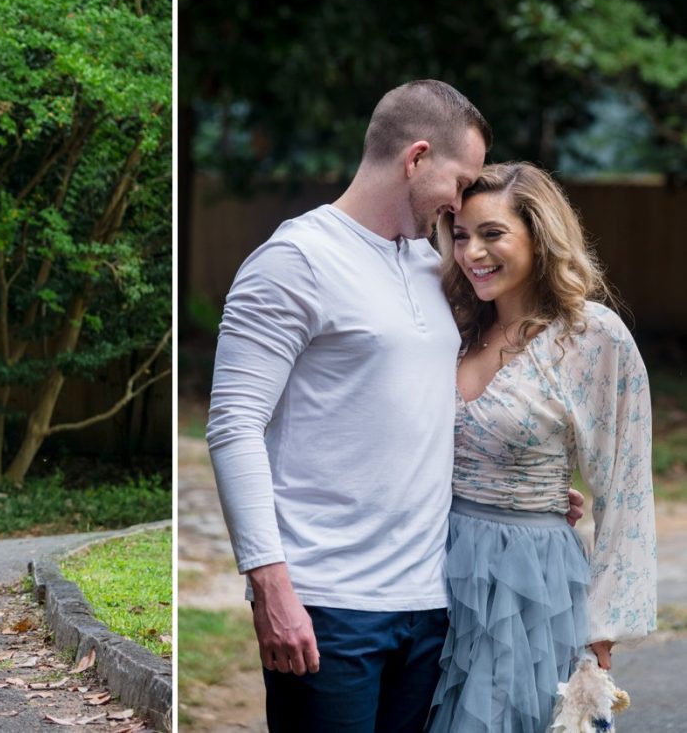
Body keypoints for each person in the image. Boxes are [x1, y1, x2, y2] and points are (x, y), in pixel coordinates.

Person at [206, 80, 491, 732]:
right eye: (462, 181)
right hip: (327, 608)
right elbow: (232, 426)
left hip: (430, 606)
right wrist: (269, 586)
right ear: (416, 159)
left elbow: (429, 415)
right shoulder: (294, 260)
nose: (463, 203)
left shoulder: (432, 268)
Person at [424, 162, 655, 731]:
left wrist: (601, 633)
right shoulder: (447, 325)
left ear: (541, 236)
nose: (472, 252)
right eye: (461, 236)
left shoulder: (590, 336)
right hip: (432, 567)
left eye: (493, 233)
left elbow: (625, 491)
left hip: (533, 585)